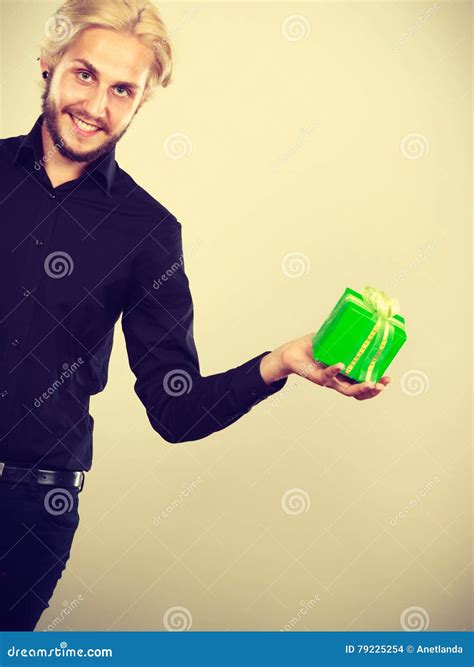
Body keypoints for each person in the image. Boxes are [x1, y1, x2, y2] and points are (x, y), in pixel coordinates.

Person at [0, 0, 390, 631]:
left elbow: (175, 412)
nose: (97, 106)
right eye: (85, 75)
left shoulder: (148, 233)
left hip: (27, 516)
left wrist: (280, 363)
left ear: (140, 103)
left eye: (123, 89)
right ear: (48, 67)